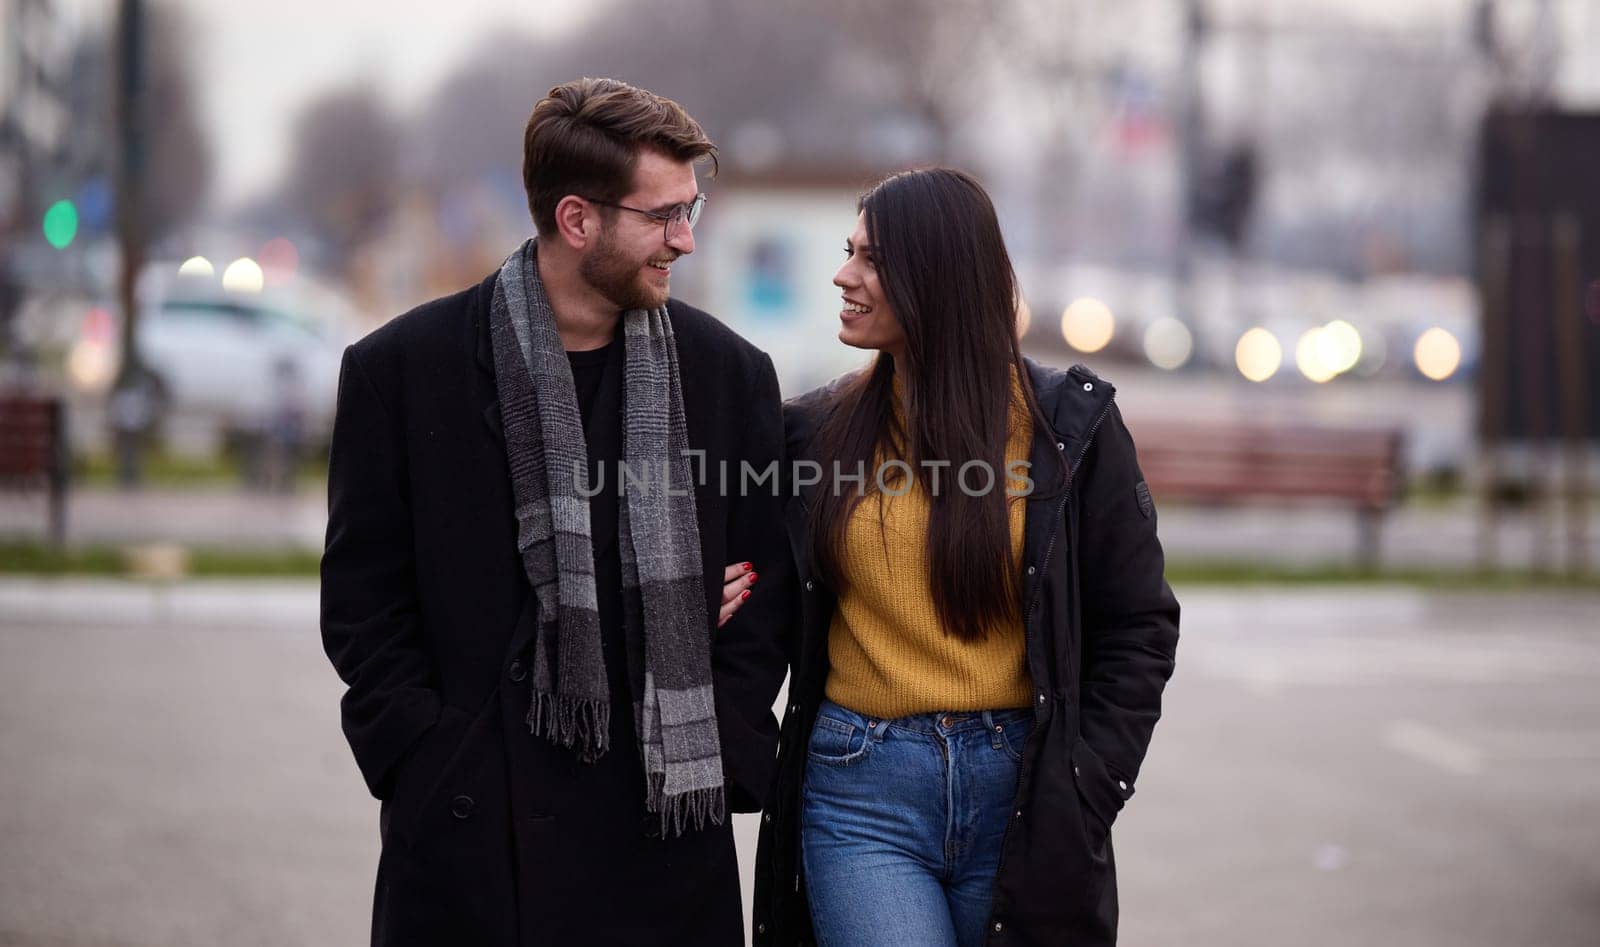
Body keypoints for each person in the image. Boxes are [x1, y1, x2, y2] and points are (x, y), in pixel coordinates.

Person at [320, 77, 792, 946]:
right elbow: (361, 603)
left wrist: (721, 752)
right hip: (477, 849)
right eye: (663, 216)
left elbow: (767, 596)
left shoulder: (729, 377)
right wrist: (426, 758)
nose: (685, 240)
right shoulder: (400, 372)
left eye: (692, 209)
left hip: (665, 834)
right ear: (578, 221)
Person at [752, 168, 1180, 946]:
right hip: (860, 794)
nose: (843, 275)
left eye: (871, 259)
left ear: (939, 274)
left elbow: (1140, 623)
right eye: (849, 252)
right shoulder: (811, 436)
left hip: (1023, 789)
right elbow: (758, 582)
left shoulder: (1067, 430)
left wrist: (1088, 786)